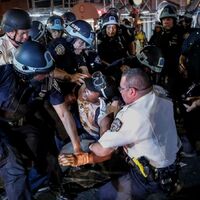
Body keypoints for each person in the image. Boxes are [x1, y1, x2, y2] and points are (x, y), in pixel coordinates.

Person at [59, 68, 181, 200]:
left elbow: (102, 150)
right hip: (169, 157)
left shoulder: (132, 115)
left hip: (149, 174)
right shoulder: (159, 91)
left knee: (104, 195)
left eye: (121, 88)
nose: (119, 91)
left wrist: (85, 155)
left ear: (132, 91)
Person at [0, 40, 82, 199]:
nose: (49, 75)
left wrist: (77, 146)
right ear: (26, 71)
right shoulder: (3, 75)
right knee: (14, 169)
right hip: (1, 127)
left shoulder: (47, 81)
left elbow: (64, 114)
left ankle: (56, 188)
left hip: (23, 124)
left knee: (49, 155)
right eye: (44, 72)